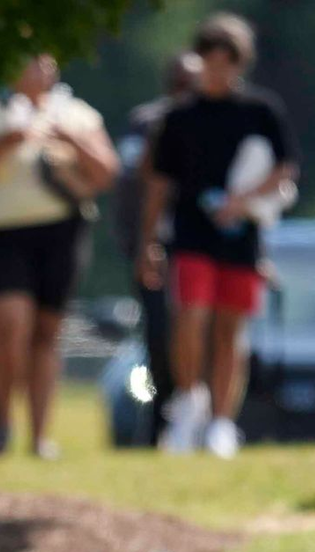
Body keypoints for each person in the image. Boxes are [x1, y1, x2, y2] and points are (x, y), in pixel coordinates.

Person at [0, 55, 117, 458]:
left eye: (44, 61)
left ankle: (39, 437)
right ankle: (2, 424)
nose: (38, 70)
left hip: (62, 232)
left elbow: (107, 173)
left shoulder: (76, 114)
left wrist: (71, 141)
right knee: (7, 325)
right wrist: (7, 141)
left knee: (46, 332)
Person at [140, 14, 299, 458]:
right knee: (190, 316)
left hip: (242, 237)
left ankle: (222, 422)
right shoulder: (179, 117)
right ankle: (188, 402)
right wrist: (148, 241)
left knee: (230, 330)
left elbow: (285, 169)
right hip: (191, 234)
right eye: (209, 61)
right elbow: (159, 184)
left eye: (225, 62)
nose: (216, 71)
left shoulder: (261, 112)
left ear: (239, 64)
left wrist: (242, 200)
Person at [113, 53, 202, 445]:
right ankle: (161, 419)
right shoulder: (146, 121)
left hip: (201, 243)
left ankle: (200, 418)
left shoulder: (218, 122)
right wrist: (137, 244)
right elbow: (130, 181)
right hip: (158, 244)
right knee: (160, 334)